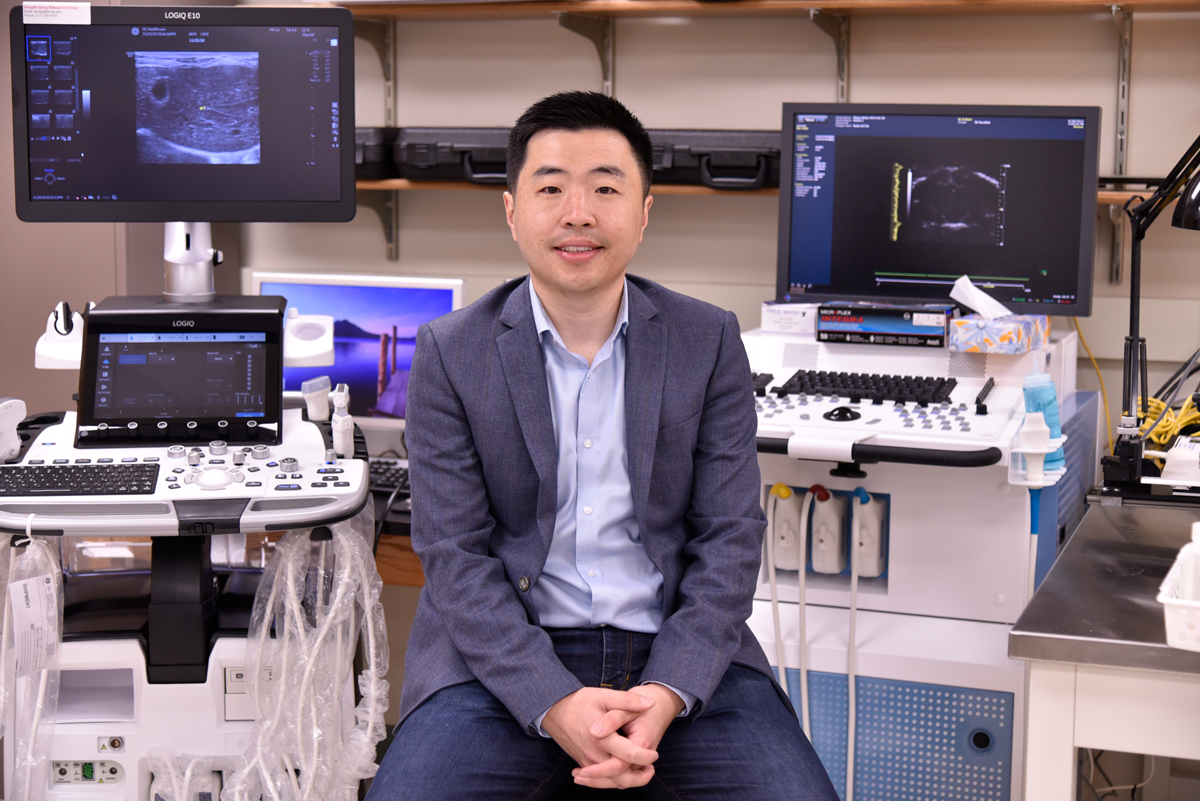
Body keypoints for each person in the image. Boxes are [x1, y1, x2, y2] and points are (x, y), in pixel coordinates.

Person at [367, 91, 837, 800]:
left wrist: (669, 692)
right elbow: (454, 559)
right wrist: (554, 699)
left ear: (645, 211)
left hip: (679, 653)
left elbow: (731, 539)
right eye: (550, 187)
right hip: (500, 661)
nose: (577, 213)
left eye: (606, 188)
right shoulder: (450, 350)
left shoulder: (706, 340)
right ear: (512, 209)